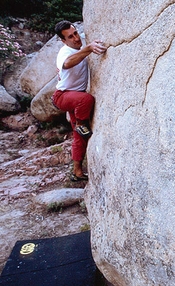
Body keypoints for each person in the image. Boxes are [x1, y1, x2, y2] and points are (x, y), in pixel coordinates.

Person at [52, 20, 106, 181]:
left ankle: (77, 171)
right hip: (63, 96)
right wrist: (88, 49)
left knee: (79, 137)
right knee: (86, 99)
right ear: (64, 41)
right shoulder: (65, 52)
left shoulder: (80, 42)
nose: (76, 38)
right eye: (70, 36)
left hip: (74, 97)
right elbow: (67, 63)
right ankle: (81, 125)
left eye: (75, 33)